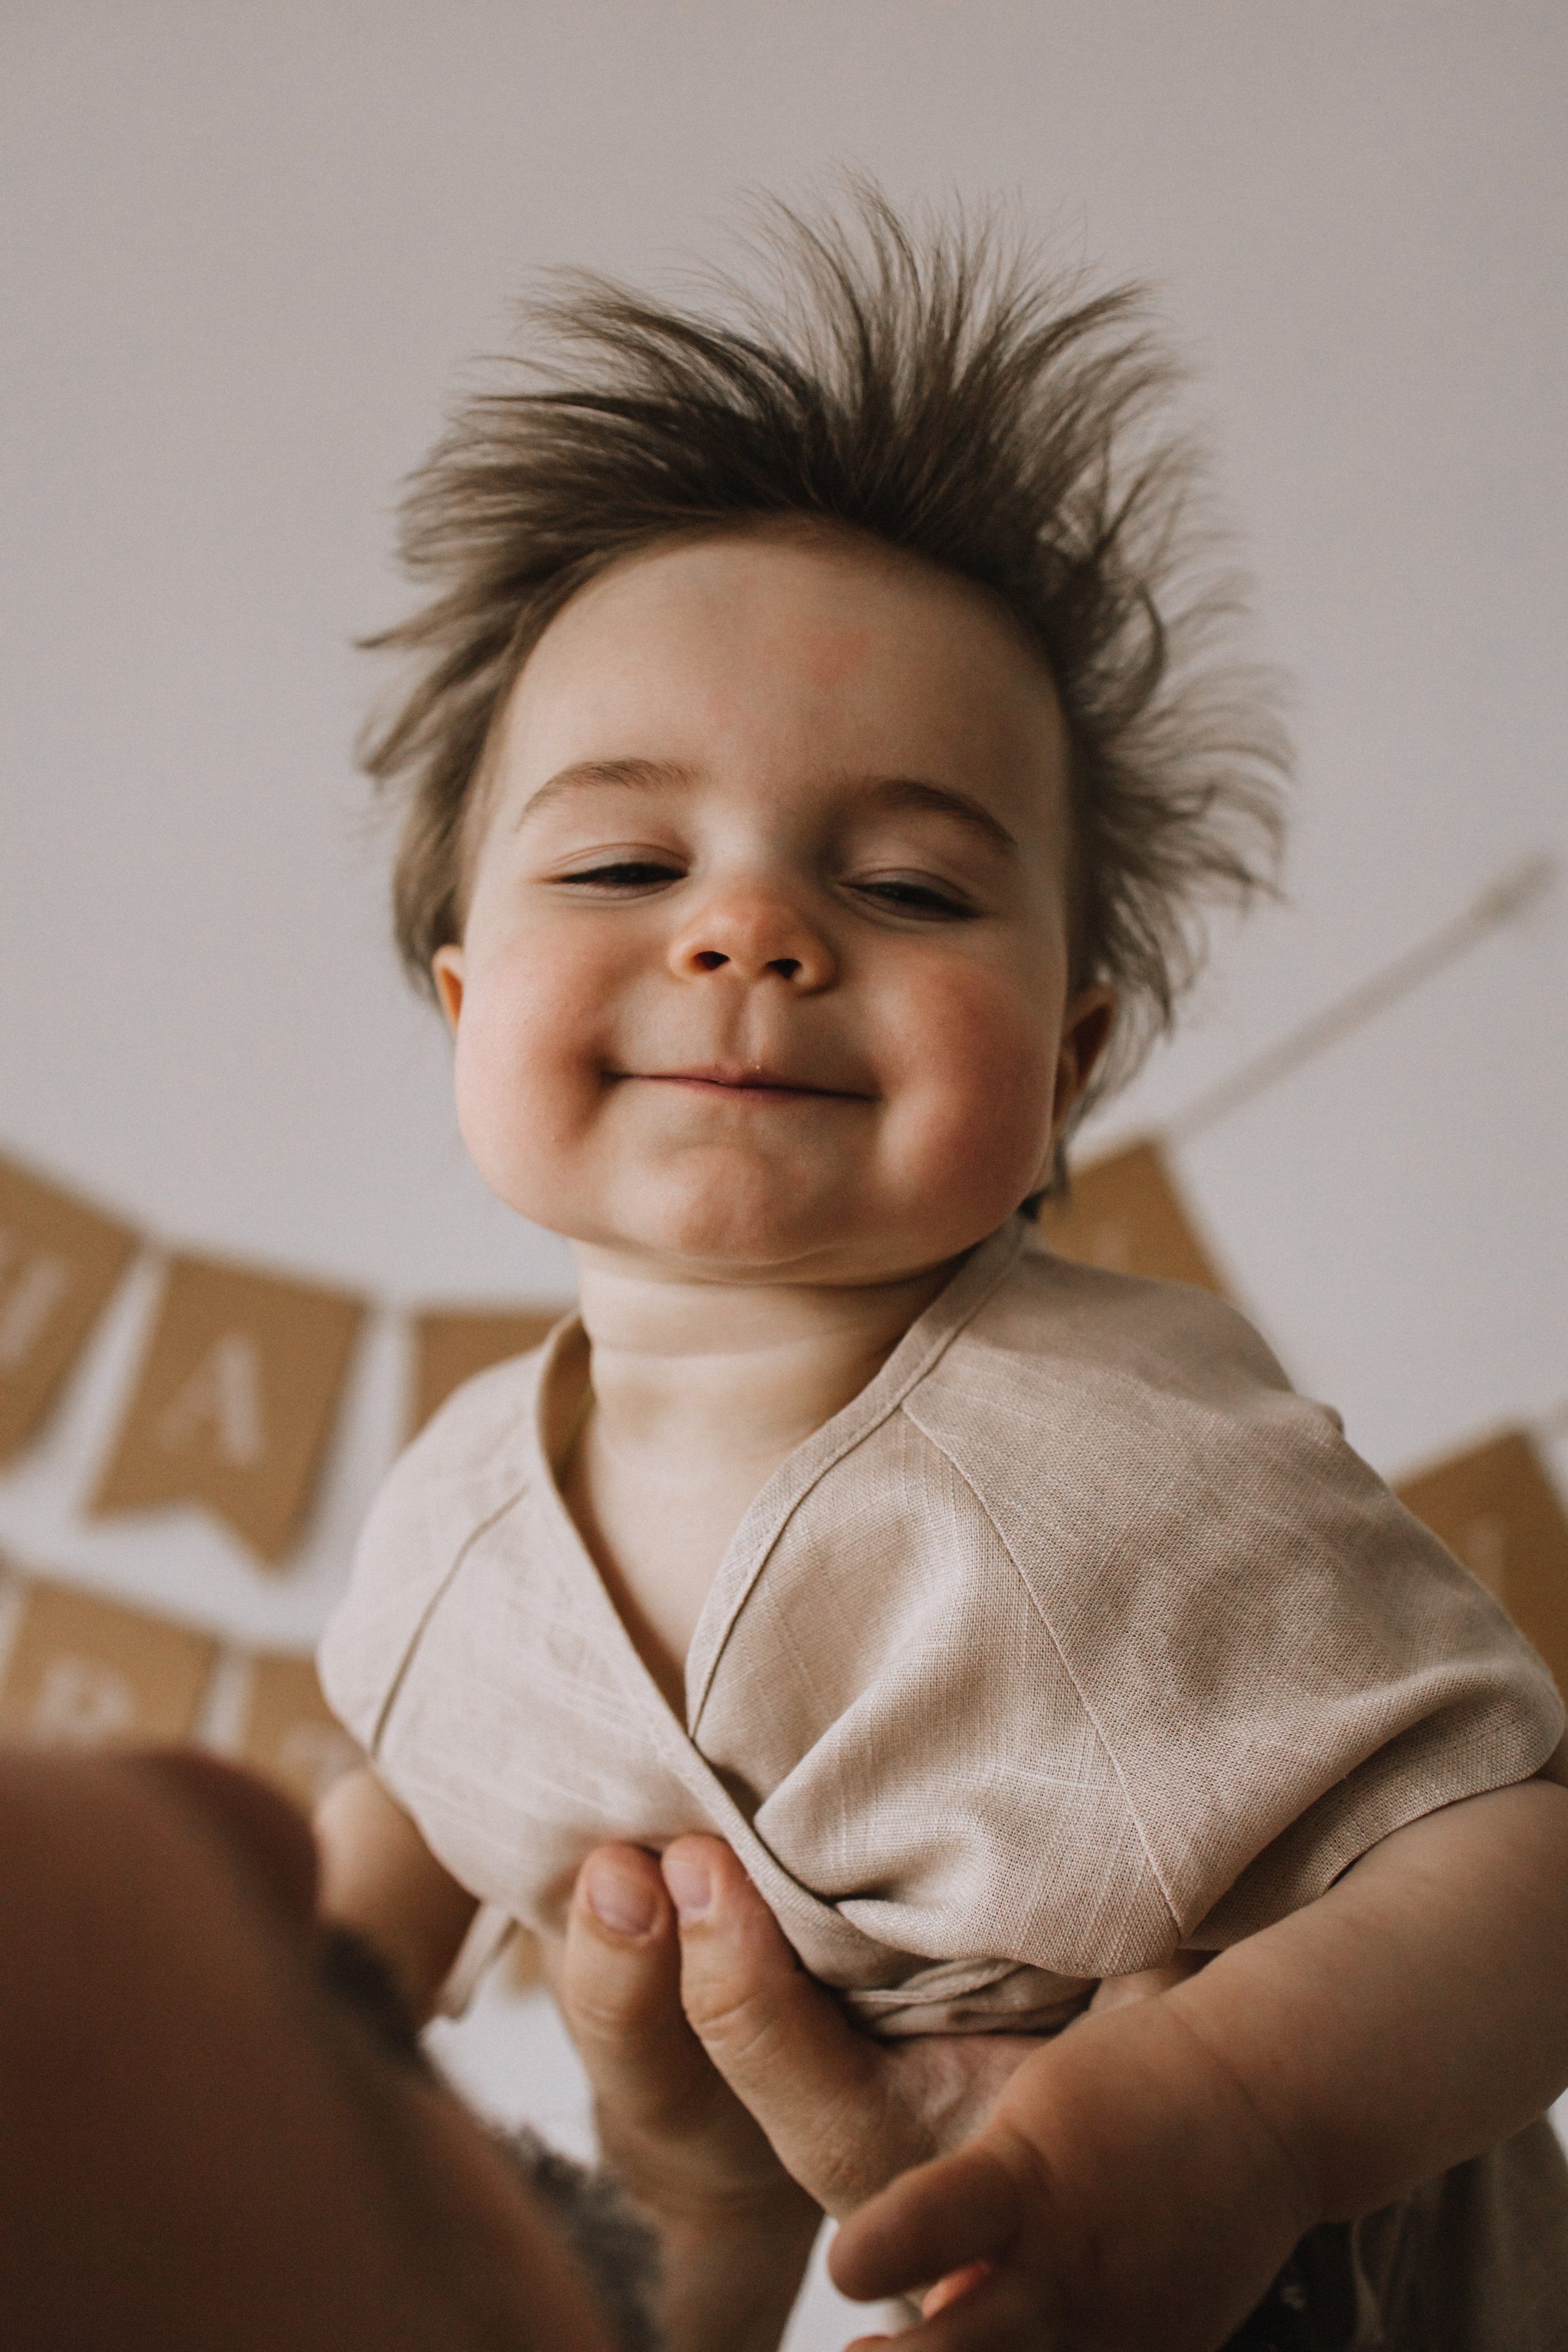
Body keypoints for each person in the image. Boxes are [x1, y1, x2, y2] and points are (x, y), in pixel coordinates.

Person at [312, 187, 1568, 2343]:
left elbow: (1527, 1869)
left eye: (904, 884)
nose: (753, 932)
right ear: (460, 1007)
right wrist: (294, 2067)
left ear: (1070, 1061)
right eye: (626, 859)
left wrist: (1249, 2110)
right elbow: (410, 1828)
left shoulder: (1135, 1458)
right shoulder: (449, 1521)